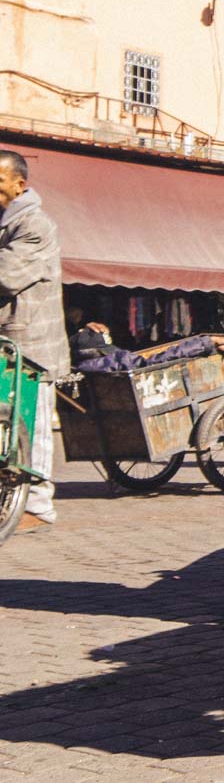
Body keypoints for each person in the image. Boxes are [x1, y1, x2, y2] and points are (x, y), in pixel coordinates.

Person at [0, 150, 70, 532]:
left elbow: (7, 274)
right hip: (6, 344)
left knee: (36, 424)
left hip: (33, 343)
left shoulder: (35, 225)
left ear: (19, 184)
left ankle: (39, 505)